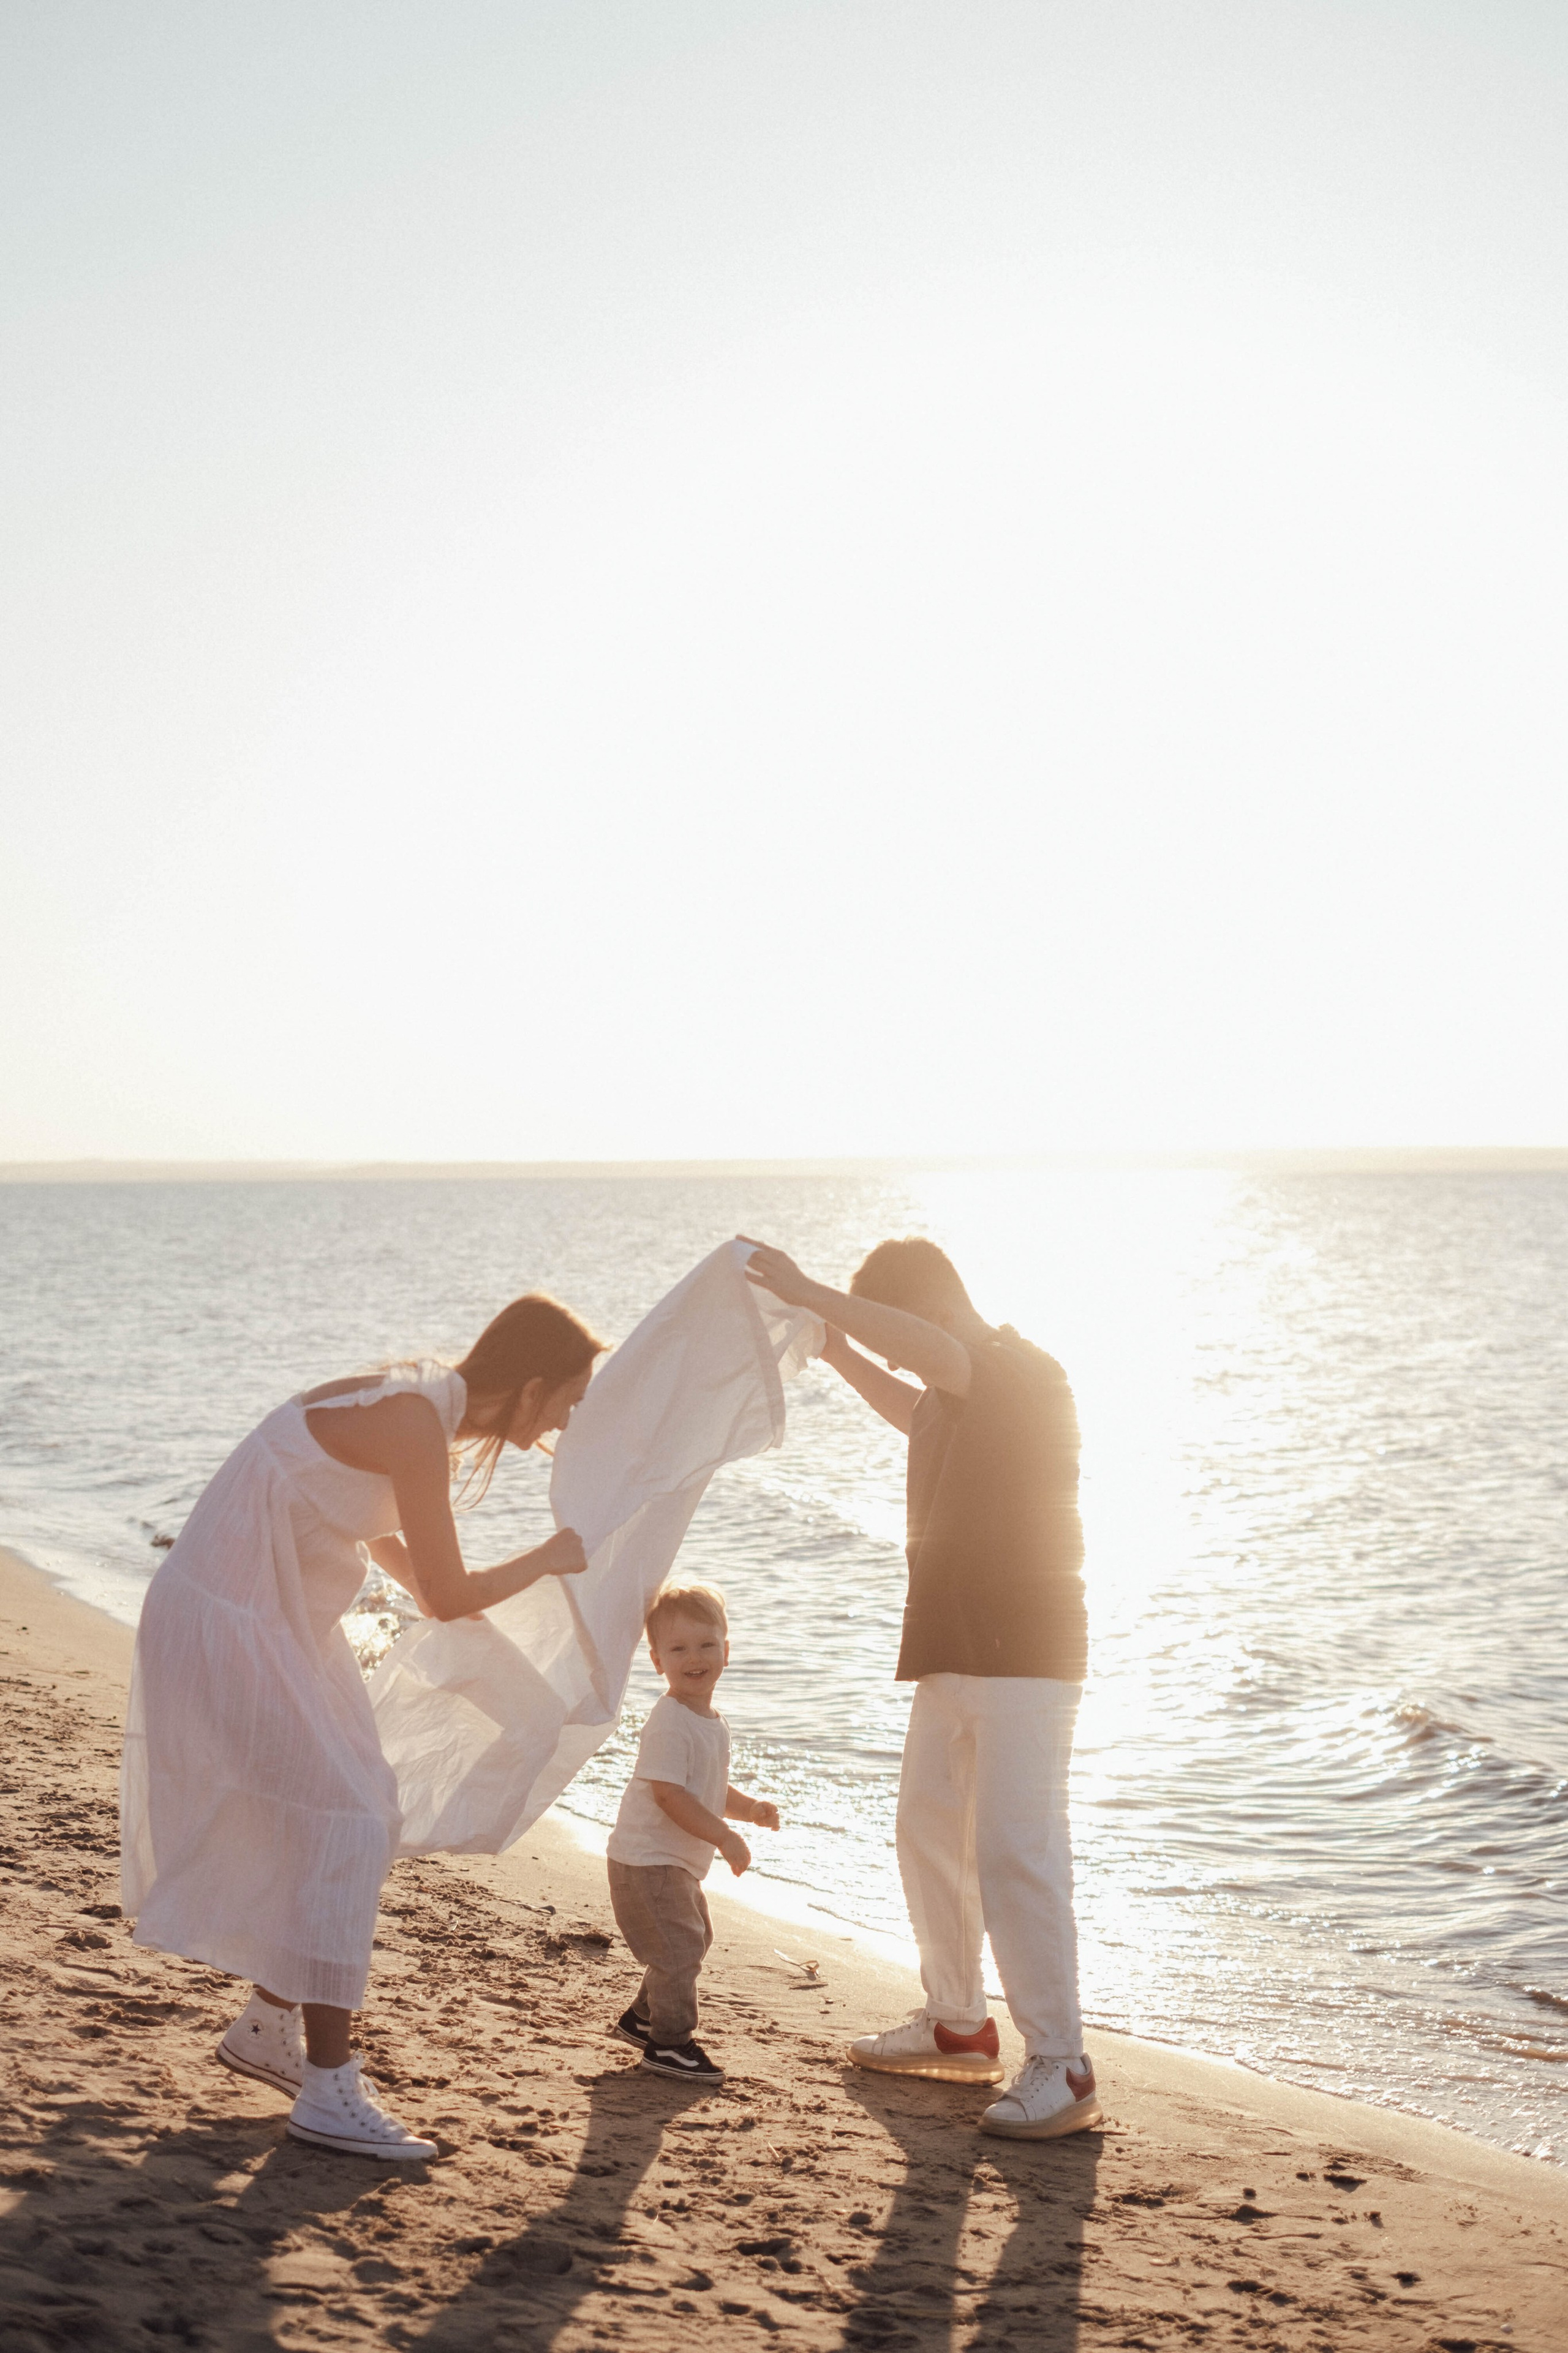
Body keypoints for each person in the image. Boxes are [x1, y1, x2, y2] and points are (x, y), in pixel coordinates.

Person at [120, 1292, 605, 2161]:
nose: (568, 1421)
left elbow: (414, 1580)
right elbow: (450, 1595)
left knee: (363, 1808)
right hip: (232, 1615)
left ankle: (269, 2023)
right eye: (569, 1399)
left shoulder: (417, 1409)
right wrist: (550, 1557)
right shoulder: (414, 1419)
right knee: (344, 1820)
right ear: (530, 1387)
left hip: (280, 1616)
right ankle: (330, 2086)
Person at [742, 1234, 1100, 2142]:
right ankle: (958, 2021)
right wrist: (836, 1345)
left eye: (907, 1340)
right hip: (950, 1649)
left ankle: (1063, 2060)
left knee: (1016, 1852)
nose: (908, 1362)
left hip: (1024, 1651)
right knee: (927, 1833)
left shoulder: (1018, 1368)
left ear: (936, 1309)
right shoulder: (951, 1396)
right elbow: (915, 1406)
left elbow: (942, 1362)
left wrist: (809, 1287)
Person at [605, 1582, 780, 2084]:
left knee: (693, 1939)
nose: (694, 1658)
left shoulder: (711, 1722)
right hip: (646, 1862)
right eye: (678, 1649)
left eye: (706, 1645)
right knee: (677, 1949)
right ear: (658, 1661)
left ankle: (643, 2018)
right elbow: (670, 1795)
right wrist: (724, 1837)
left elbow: (708, 1786)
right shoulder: (669, 1720)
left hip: (672, 1863)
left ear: (726, 1651)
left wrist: (750, 1810)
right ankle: (670, 2044)